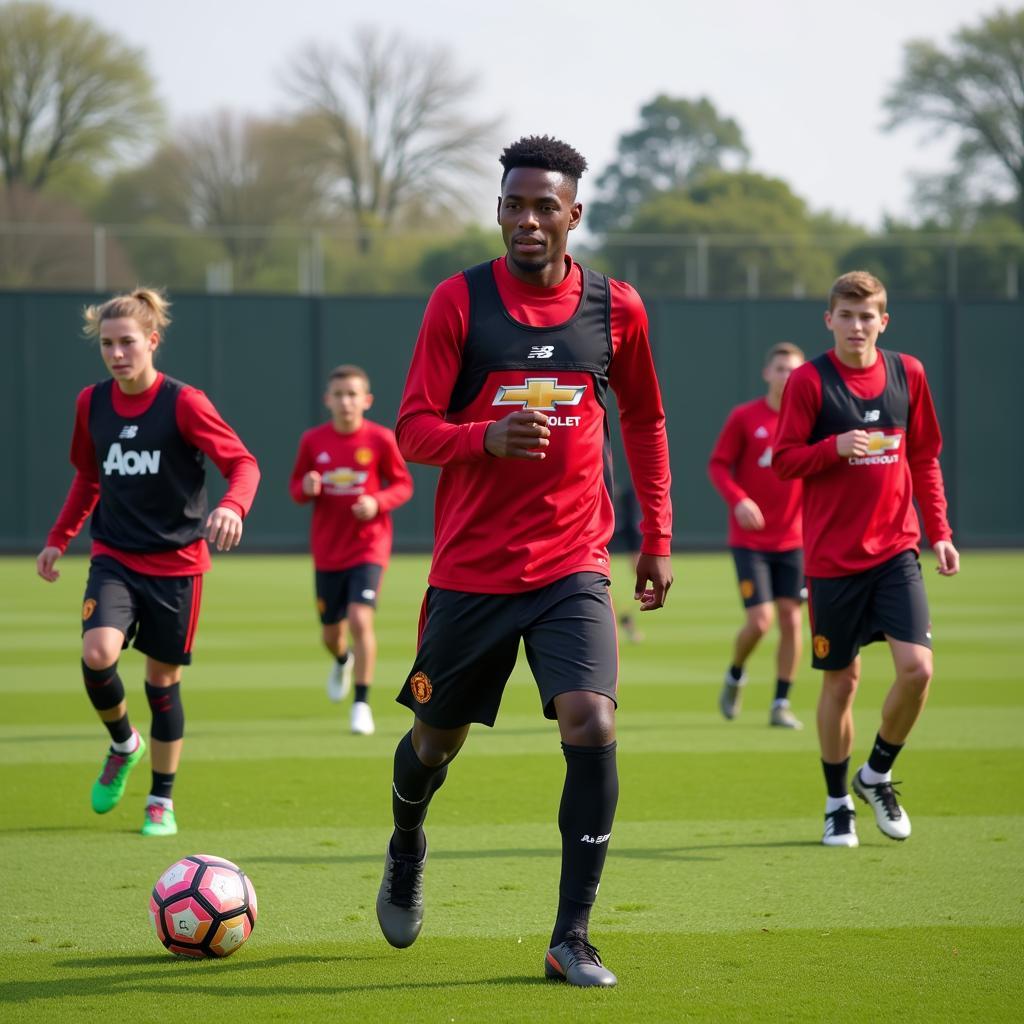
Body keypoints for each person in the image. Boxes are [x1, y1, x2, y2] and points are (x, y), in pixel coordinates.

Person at [374, 136, 673, 988]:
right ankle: (406, 842)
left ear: (575, 214)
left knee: (593, 720)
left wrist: (656, 535)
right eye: (515, 204)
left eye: (547, 206)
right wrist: (485, 438)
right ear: (498, 209)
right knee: (434, 744)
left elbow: (646, 422)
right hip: (470, 572)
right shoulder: (459, 302)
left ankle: (570, 937)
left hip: (572, 564)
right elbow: (413, 429)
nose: (529, 220)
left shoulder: (618, 309)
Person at [36, 288, 260, 837]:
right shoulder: (91, 403)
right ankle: (122, 743)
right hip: (115, 556)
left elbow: (243, 463)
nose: (117, 354)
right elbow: (89, 477)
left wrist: (233, 506)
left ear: (152, 341)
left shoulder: (184, 402)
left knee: (162, 682)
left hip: (178, 565)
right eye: (107, 344)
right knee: (97, 652)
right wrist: (59, 538)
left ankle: (161, 798)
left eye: (127, 342)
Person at [773, 270, 959, 848]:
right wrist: (832, 448)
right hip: (831, 562)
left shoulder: (909, 375)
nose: (858, 325)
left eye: (868, 314)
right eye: (846, 315)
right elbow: (782, 462)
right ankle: (836, 804)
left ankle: (875, 773)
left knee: (918, 668)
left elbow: (925, 457)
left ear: (884, 319)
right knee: (842, 684)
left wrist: (940, 531)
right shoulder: (809, 382)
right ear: (829, 320)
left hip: (897, 550)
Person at [289, 364, 413, 735]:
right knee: (331, 634)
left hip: (368, 546)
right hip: (328, 550)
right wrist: (307, 486)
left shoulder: (379, 439)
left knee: (360, 619)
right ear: (328, 400)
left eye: (353, 394)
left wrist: (377, 501)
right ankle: (342, 660)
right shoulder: (313, 441)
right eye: (339, 394)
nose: (346, 402)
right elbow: (296, 489)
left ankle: (361, 704)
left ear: (367, 400)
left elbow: (403, 485)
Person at [708, 342, 806, 729]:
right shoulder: (745, 417)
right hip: (750, 541)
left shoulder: (810, 421)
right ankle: (735, 675)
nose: (787, 376)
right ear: (767, 373)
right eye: (780, 368)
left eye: (794, 370)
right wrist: (739, 499)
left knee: (793, 621)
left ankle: (780, 703)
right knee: (761, 621)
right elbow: (718, 465)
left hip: (796, 540)